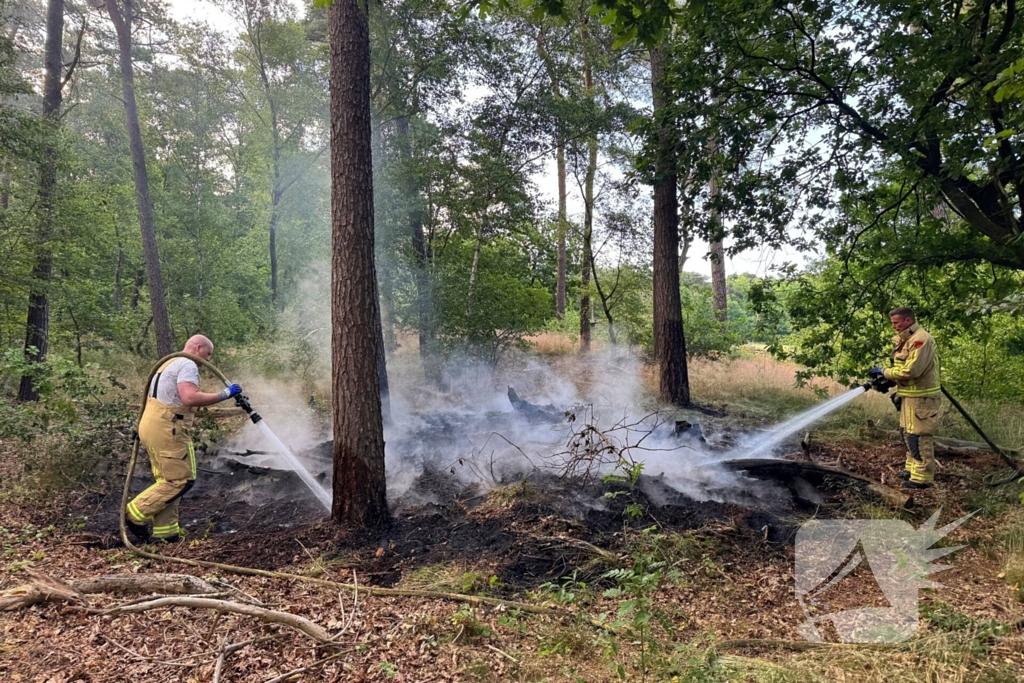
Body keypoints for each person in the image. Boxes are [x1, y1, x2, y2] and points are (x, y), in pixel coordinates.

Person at [125, 335, 242, 541]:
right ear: (198, 348)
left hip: (152, 425)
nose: (208, 360)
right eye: (208, 354)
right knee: (181, 480)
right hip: (168, 428)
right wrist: (225, 394)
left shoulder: (168, 363)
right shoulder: (188, 364)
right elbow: (190, 397)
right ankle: (137, 512)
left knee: (167, 479)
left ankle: (166, 533)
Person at [868, 307, 941, 489]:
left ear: (908, 321)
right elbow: (904, 367)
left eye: (896, 322)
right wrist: (889, 379)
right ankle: (912, 471)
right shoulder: (906, 339)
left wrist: (885, 372)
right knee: (907, 434)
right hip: (909, 396)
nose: (893, 326)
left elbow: (912, 370)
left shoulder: (921, 340)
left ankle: (923, 478)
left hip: (922, 399)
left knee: (918, 436)